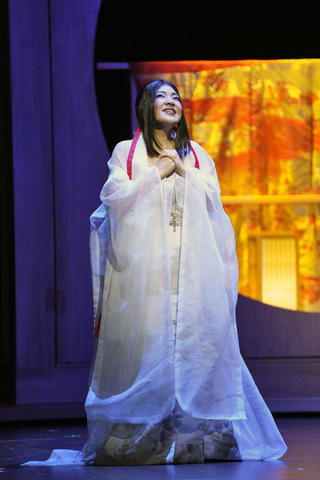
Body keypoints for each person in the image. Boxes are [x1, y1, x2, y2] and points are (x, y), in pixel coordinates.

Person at [23, 79, 287, 467]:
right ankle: (145, 431)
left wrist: (183, 170)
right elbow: (113, 199)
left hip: (192, 274)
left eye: (176, 97)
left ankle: (195, 432)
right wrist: (156, 173)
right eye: (161, 96)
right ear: (145, 107)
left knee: (197, 344)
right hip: (149, 277)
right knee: (152, 343)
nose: (171, 101)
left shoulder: (196, 155)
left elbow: (216, 207)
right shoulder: (127, 153)